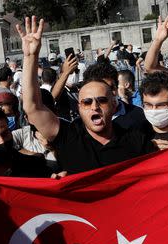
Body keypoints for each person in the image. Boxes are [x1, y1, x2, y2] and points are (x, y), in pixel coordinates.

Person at [18, 16, 158, 174]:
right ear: (79, 107)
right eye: (87, 102)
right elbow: (32, 107)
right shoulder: (69, 136)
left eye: (102, 101)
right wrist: (30, 57)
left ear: (114, 104)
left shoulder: (135, 140)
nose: (95, 107)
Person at [82, 61, 149, 130]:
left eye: (110, 88)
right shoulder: (80, 125)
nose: (107, 94)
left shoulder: (138, 115)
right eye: (100, 90)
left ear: (117, 88)